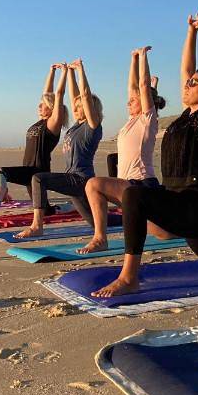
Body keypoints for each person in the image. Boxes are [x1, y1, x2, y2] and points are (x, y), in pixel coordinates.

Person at [92, 13, 198, 298]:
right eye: (188, 83)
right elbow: (188, 68)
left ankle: (129, 277)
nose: (188, 85)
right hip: (179, 203)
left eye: (195, 84)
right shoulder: (184, 117)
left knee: (134, 195)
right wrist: (190, 32)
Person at [78, 47, 165, 254]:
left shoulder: (147, 120)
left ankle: (100, 238)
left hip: (142, 185)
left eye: (134, 100)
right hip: (129, 186)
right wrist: (132, 59)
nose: (128, 102)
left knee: (93, 185)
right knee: (162, 233)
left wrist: (143, 57)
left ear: (146, 103)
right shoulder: (131, 121)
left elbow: (142, 86)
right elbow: (132, 87)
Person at [15, 59, 102, 238]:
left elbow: (84, 96)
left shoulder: (92, 127)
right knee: (97, 221)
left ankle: (37, 226)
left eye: (80, 108)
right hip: (73, 180)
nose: (76, 110)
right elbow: (75, 96)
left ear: (90, 109)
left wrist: (81, 71)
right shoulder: (78, 125)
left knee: (39, 179)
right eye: (75, 108)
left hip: (81, 179)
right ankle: (136, 217)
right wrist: (69, 72)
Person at [0, 64, 69, 224]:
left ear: (51, 107)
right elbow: (46, 93)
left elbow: (59, 94)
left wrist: (64, 73)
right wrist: (51, 71)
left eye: (42, 104)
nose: (39, 106)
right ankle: (69, 206)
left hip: (37, 171)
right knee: (47, 210)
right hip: (28, 171)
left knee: (1, 172)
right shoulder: (39, 122)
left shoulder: (52, 124)